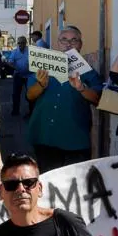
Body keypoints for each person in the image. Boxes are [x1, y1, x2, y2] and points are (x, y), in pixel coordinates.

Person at [26, 26, 103, 172]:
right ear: (57, 44)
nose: (69, 44)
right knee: (49, 182)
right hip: (45, 136)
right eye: (64, 40)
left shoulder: (89, 72)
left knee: (76, 184)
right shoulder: (44, 65)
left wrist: (82, 88)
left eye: (74, 40)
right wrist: (41, 84)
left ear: (80, 44)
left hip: (76, 140)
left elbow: (98, 99)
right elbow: (30, 95)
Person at [0, 154, 93, 236]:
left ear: (39, 189)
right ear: (1, 192)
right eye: (11, 185)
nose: (21, 189)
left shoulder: (65, 223)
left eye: (28, 182)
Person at [7, 36, 31, 116]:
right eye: (19, 43)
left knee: (30, 94)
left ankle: (31, 112)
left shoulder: (30, 51)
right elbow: (10, 62)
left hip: (29, 76)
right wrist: (16, 68)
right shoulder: (15, 52)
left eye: (23, 43)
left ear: (25, 43)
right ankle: (15, 111)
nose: (21, 44)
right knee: (16, 94)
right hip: (18, 75)